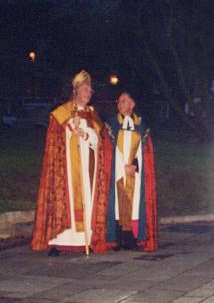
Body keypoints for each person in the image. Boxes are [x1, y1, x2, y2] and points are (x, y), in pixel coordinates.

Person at [31, 70, 112, 255]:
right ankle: (59, 241)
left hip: (88, 168)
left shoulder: (93, 115)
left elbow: (100, 141)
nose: (88, 93)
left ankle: (88, 239)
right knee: (64, 199)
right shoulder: (62, 113)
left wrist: (85, 134)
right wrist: (70, 129)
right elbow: (55, 142)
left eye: (90, 91)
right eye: (85, 89)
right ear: (75, 90)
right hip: (66, 167)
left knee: (88, 199)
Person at [105, 92, 157, 251]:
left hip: (135, 173)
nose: (120, 104)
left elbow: (144, 151)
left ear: (132, 104)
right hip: (117, 172)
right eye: (119, 101)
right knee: (117, 204)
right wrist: (122, 166)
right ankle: (116, 239)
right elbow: (109, 151)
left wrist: (134, 165)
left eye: (123, 101)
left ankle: (133, 238)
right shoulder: (111, 124)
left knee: (135, 204)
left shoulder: (141, 125)